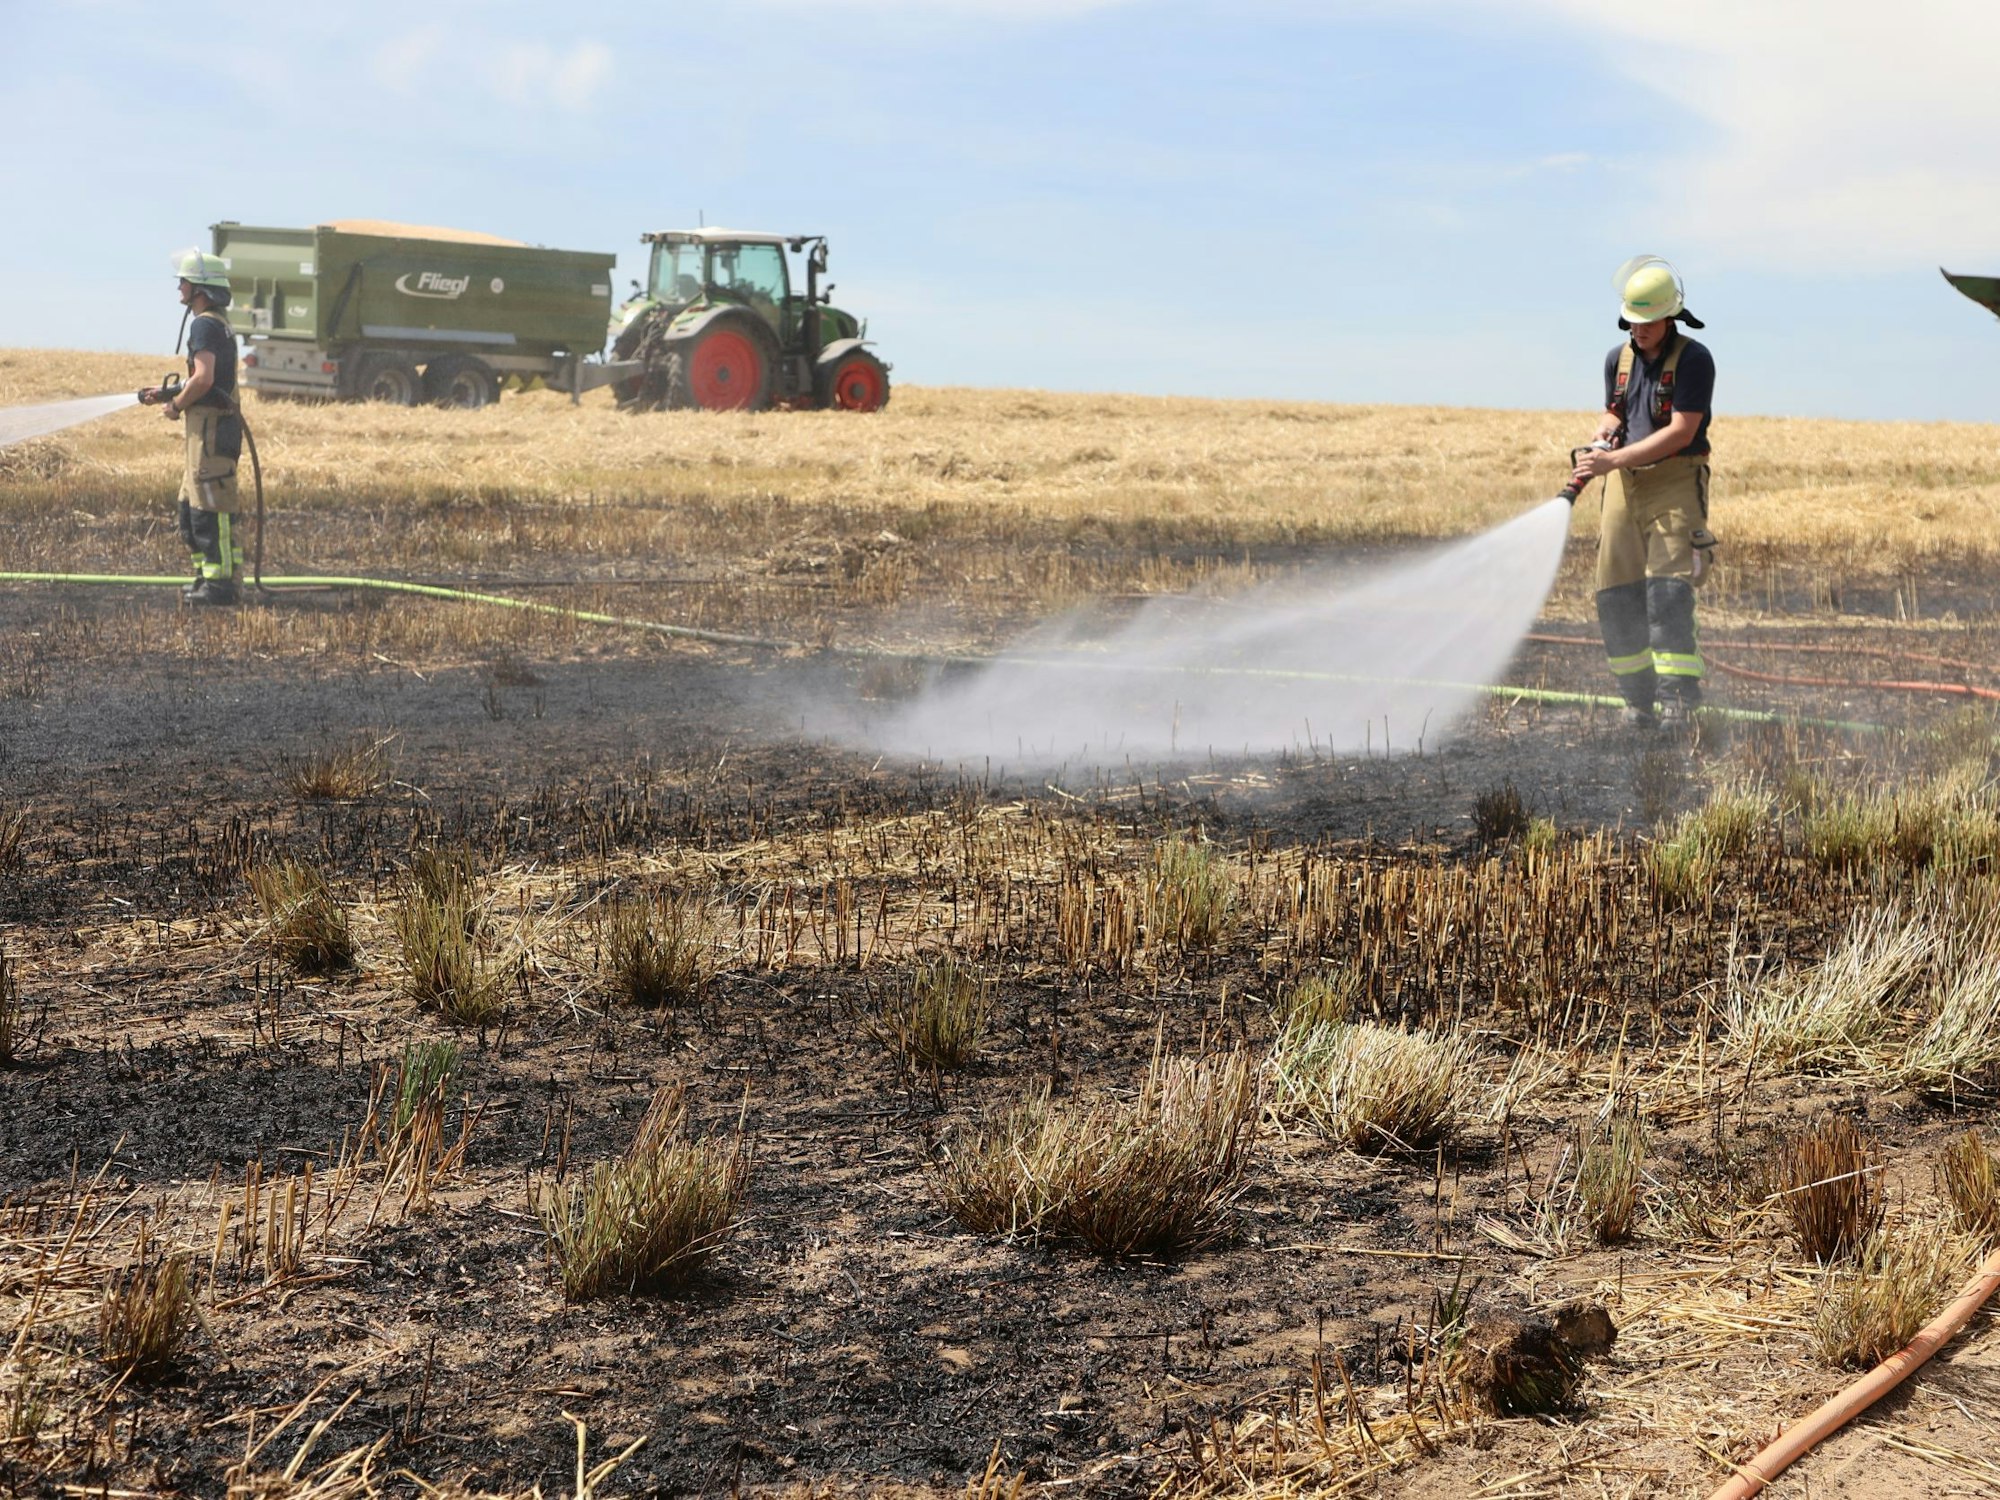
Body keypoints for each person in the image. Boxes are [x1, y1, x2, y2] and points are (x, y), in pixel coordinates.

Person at [1570, 256, 1717, 727]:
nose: (1638, 331)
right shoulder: (1620, 359)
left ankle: (1679, 703)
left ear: (1669, 316)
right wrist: (1601, 439)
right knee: (1615, 592)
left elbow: (1680, 431)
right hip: (1623, 482)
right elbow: (1615, 411)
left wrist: (1613, 460)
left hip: (1673, 480)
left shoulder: (1694, 360)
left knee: (1668, 593)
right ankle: (1638, 702)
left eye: (1647, 323)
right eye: (1631, 322)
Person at [139, 250, 244, 606]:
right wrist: (166, 392)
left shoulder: (205, 325)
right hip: (205, 432)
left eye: (183, 281)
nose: (179, 288)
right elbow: (205, 380)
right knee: (191, 512)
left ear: (199, 287)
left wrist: (176, 405)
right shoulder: (216, 323)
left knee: (212, 511)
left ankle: (222, 586)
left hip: (212, 432)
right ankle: (207, 578)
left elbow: (204, 379)